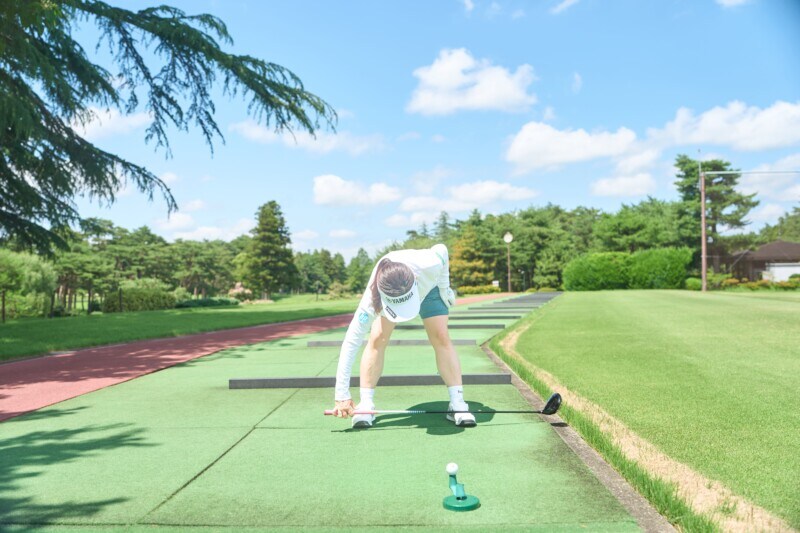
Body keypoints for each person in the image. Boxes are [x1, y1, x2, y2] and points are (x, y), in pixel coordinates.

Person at [330, 243, 476, 428]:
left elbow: (442, 249)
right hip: (392, 294)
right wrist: (341, 395)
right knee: (377, 338)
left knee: (441, 336)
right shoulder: (372, 297)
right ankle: (366, 404)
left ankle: (458, 403)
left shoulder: (429, 264)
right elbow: (351, 341)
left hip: (431, 287)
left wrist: (444, 288)